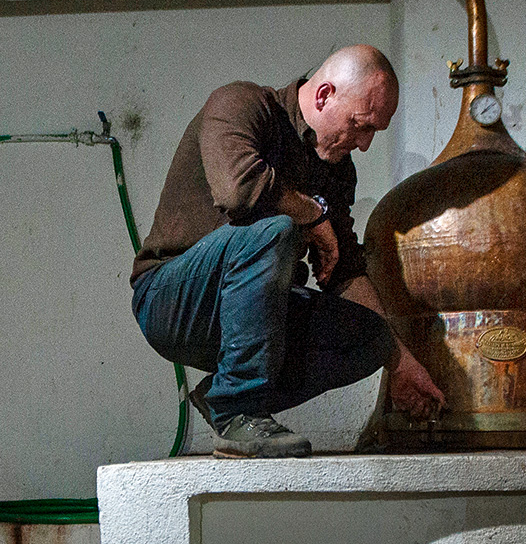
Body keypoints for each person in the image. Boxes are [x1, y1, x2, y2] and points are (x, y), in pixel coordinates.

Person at [129, 45, 446, 458]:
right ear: (323, 95)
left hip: (259, 311)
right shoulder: (241, 104)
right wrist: (312, 215)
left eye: (374, 133)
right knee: (274, 231)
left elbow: (344, 271)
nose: (365, 144)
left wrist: (400, 360)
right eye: (360, 125)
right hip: (174, 299)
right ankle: (239, 410)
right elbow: (238, 190)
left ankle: (222, 395)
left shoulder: (337, 169)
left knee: (371, 338)